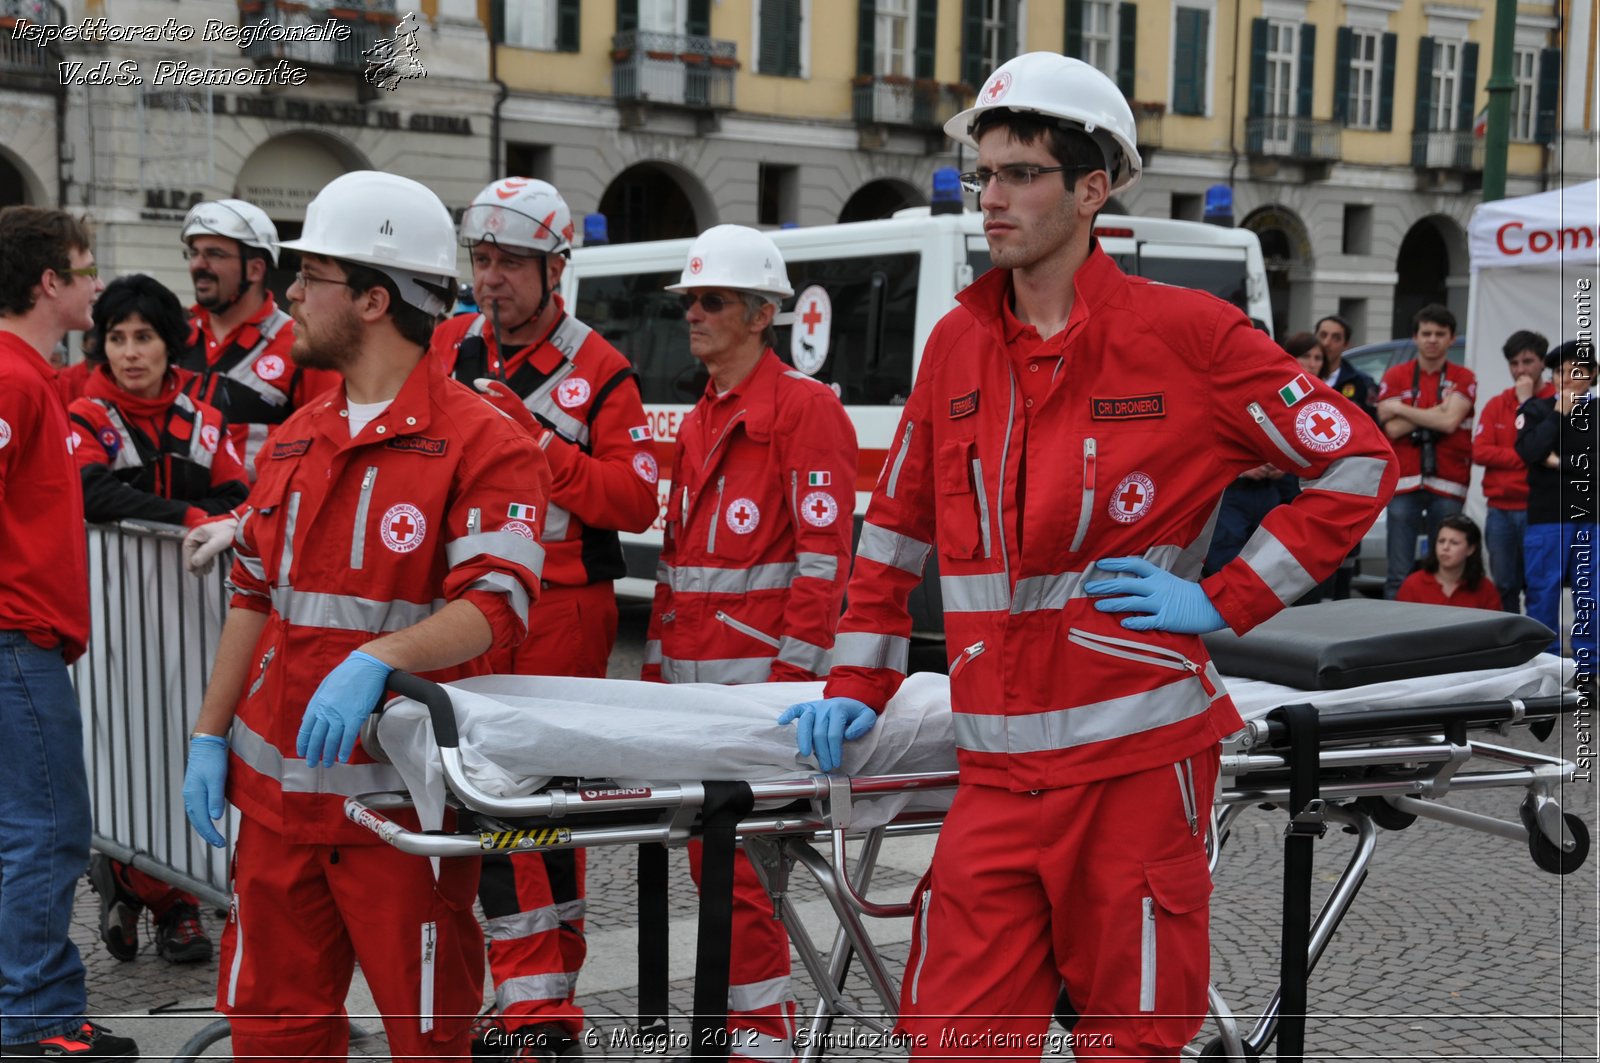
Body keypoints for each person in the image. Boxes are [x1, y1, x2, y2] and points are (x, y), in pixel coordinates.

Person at [779, 53, 1397, 1060]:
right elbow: (890, 531)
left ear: (1092, 186)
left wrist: (1225, 598)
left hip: (1136, 769)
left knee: (1130, 1043)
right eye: (984, 173)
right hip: (991, 775)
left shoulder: (1190, 335)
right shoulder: (956, 346)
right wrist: (855, 675)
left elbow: (1357, 465)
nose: (993, 196)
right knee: (953, 1042)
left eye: (1020, 171)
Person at [179, 171, 552, 1061]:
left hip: (399, 822)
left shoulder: (486, 441)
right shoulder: (299, 436)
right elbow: (253, 596)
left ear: (376, 299)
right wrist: (209, 734)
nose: (291, 294)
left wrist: (378, 655)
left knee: (429, 1040)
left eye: (311, 276)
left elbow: (496, 605)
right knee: (276, 1041)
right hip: (275, 816)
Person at [430, 178, 657, 1058]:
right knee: (486, 804)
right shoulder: (449, 346)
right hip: (474, 599)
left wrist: (540, 446)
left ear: (555, 268)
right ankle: (531, 1000)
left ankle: (540, 1007)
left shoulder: (601, 367)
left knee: (534, 807)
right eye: (482, 261)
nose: (492, 279)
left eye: (511, 264)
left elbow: (634, 500)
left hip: (563, 607)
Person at [643, 224, 857, 1061]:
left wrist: (784, 689)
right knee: (715, 876)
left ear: (763, 315)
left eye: (712, 300)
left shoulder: (804, 411)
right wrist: (657, 685)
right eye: (689, 300)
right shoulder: (701, 416)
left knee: (743, 880)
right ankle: (738, 1030)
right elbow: (676, 573)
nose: (692, 313)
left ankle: (764, 1039)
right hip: (697, 707)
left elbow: (823, 565)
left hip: (759, 706)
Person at [65, 274, 248, 967]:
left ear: (172, 345)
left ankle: (154, 887)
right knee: (123, 747)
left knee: (181, 743)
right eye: (117, 337)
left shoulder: (203, 418)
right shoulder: (87, 415)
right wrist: (192, 517)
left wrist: (215, 514)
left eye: (144, 337)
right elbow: (90, 488)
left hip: (191, 613)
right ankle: (164, 899)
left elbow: (238, 492)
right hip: (113, 615)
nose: (130, 352)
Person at [0, 206, 139, 1059]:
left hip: (22, 639)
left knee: (26, 828)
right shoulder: (13, 379)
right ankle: (40, 1020)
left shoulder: (30, 376)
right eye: (85, 269)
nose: (96, 282)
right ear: (50, 282)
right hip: (17, 640)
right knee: (47, 829)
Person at [176, 198, 339, 478]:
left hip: (252, 517)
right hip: (173, 515)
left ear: (255, 269)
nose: (198, 265)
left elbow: (328, 447)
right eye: (193, 253)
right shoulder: (176, 336)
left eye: (214, 254)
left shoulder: (302, 343)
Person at [1376, 305, 1476, 598]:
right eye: (1426, 333)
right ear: (1416, 337)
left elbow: (1449, 422)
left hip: (1449, 482)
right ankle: (1391, 636)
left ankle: (1434, 633)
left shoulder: (1464, 376)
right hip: (1404, 482)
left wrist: (1400, 409)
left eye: (1440, 334)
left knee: (1443, 570)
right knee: (1398, 571)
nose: (1432, 339)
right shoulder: (1396, 374)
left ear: (1451, 338)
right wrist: (1438, 410)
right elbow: (1391, 428)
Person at [1515, 339, 1598, 659]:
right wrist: (1559, 414)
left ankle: (1588, 666)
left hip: (1593, 517)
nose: (1564, 378)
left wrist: (1559, 463)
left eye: (1574, 371)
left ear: (1592, 374)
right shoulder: (1536, 409)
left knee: (1591, 595)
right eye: (1558, 372)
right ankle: (1543, 664)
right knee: (1542, 593)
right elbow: (1531, 452)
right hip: (1547, 518)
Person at [1472, 329, 1552, 612]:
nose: (1520, 370)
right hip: (1500, 511)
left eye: (1527, 361)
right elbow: (1479, 452)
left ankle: (1542, 650)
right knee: (1505, 585)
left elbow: (1554, 453)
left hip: (1539, 509)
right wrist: (1527, 454)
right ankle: (1512, 649)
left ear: (1543, 363)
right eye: (1514, 363)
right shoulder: (1497, 403)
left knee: (1539, 585)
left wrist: (1525, 403)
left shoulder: (1557, 401)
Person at [1396, 514, 1504, 610]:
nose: (1445, 547)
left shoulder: (1486, 589)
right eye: (1441, 541)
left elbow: (1495, 631)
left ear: (1470, 549)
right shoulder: (1413, 585)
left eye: (1454, 543)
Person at [1315, 313, 1376, 415]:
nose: (1326, 343)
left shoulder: (1362, 383)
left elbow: (1371, 423)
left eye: (1336, 338)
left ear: (1346, 345)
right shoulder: (1299, 378)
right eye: (1323, 335)